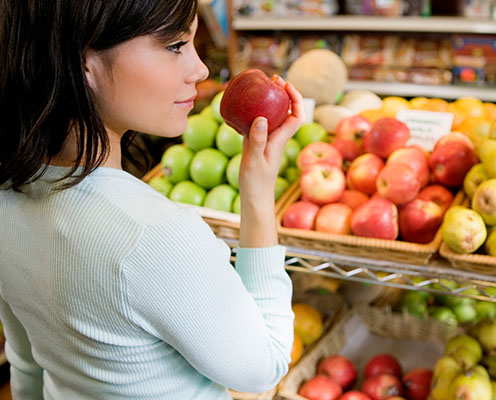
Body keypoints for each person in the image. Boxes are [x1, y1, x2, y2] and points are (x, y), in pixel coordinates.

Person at [0, 1, 304, 399]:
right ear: (83, 62)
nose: (201, 69)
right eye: (175, 45)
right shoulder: (153, 235)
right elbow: (264, 366)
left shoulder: (7, 196)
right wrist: (259, 194)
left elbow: (27, 364)